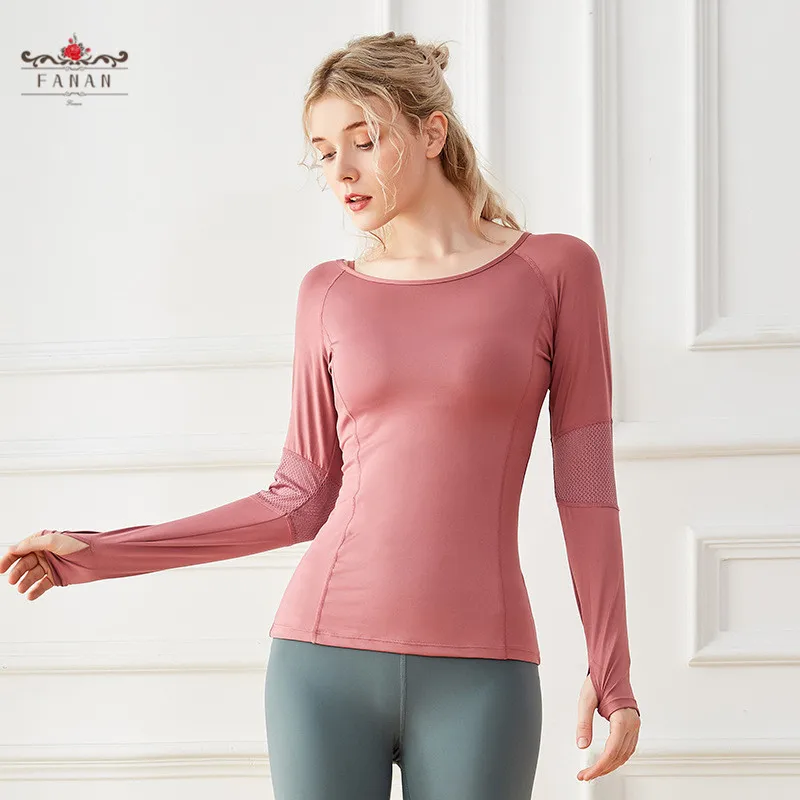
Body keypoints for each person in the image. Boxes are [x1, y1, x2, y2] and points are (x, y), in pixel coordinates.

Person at [1, 30, 640, 799]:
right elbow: (298, 500)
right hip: (320, 664)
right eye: (324, 151)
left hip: (483, 669)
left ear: (432, 133)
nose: (341, 171)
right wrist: (98, 553)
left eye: (365, 141)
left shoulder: (554, 271)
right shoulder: (329, 294)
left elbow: (586, 488)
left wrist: (612, 670)